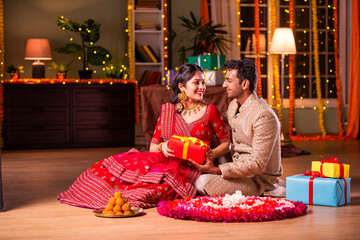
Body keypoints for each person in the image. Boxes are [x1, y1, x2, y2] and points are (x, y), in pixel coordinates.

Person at [58, 63, 230, 209]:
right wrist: (163, 147)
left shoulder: (210, 111)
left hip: (192, 169)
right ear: (181, 87)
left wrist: (210, 155)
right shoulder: (168, 111)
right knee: (114, 168)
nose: (202, 87)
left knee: (155, 190)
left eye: (203, 83)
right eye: (196, 83)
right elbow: (153, 146)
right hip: (165, 162)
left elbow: (226, 143)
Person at [192, 59, 286, 197]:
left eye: (229, 81)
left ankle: (263, 191)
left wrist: (218, 170)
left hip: (257, 179)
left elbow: (257, 163)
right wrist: (194, 110)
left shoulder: (264, 115)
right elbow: (217, 121)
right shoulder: (234, 105)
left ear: (244, 84)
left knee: (201, 182)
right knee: (215, 137)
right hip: (236, 167)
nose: (224, 85)